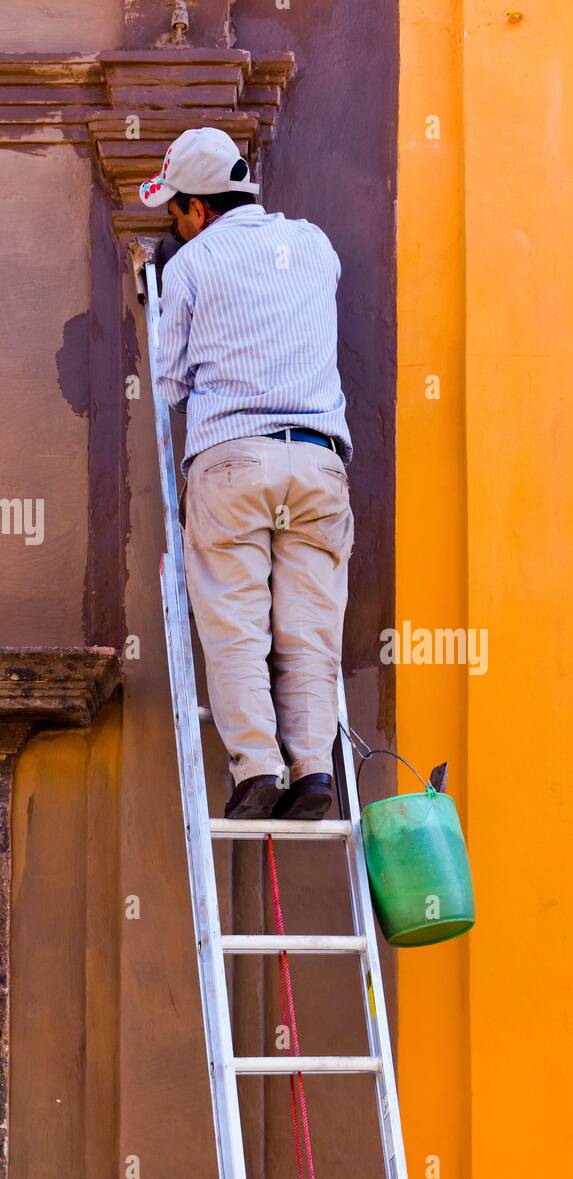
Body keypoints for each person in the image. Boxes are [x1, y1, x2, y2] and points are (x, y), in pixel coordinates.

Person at [139, 127, 354, 820]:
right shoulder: (316, 246)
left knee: (236, 623)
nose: (175, 222)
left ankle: (258, 767)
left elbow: (170, 384)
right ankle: (315, 769)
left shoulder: (193, 264)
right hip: (317, 461)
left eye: (175, 210)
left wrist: (167, 296)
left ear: (198, 210)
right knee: (308, 628)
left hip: (233, 457)